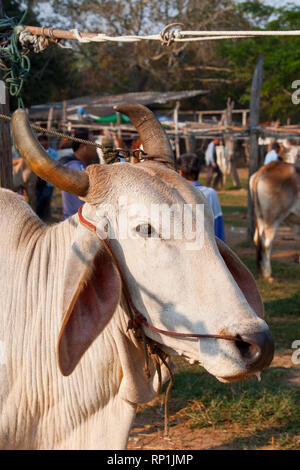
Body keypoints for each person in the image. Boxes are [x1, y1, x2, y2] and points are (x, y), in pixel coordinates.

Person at [178, 153, 225, 242]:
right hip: (206, 248)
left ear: (179, 172)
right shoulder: (211, 193)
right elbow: (218, 225)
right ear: (199, 171)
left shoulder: (175, 193)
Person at [59, 128, 99, 219]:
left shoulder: (77, 166)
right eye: (93, 143)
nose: (96, 147)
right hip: (79, 223)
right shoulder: (75, 168)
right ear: (82, 147)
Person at [36, 135, 58, 220]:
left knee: (45, 196)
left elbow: (55, 165)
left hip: (49, 180)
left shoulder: (53, 153)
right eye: (40, 141)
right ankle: (40, 216)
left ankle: (39, 215)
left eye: (43, 141)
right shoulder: (37, 153)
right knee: (38, 196)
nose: (42, 143)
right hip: (38, 179)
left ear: (47, 141)